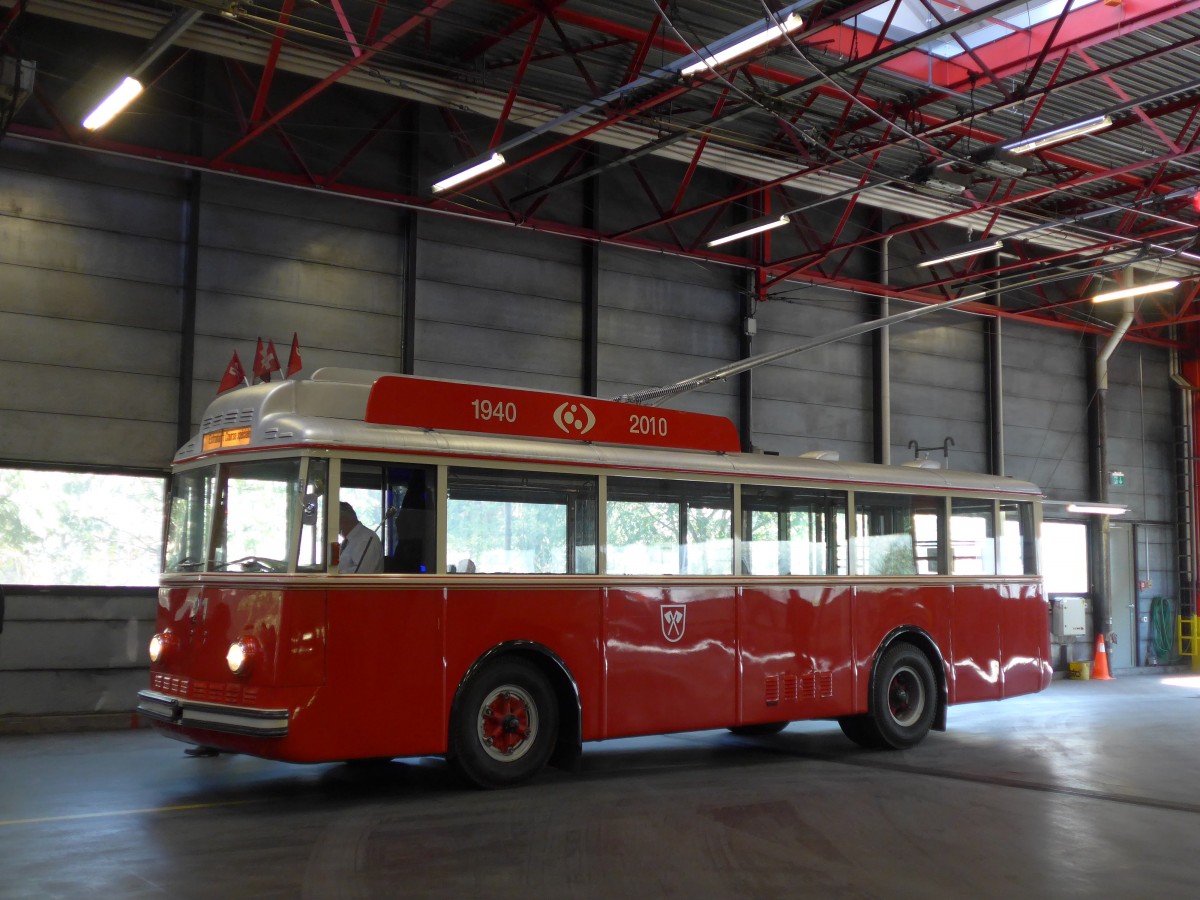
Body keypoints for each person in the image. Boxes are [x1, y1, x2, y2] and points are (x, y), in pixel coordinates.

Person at [338, 502, 383, 574]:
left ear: (343, 519)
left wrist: (336, 574)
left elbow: (361, 574)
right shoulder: (349, 541)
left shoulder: (366, 539)